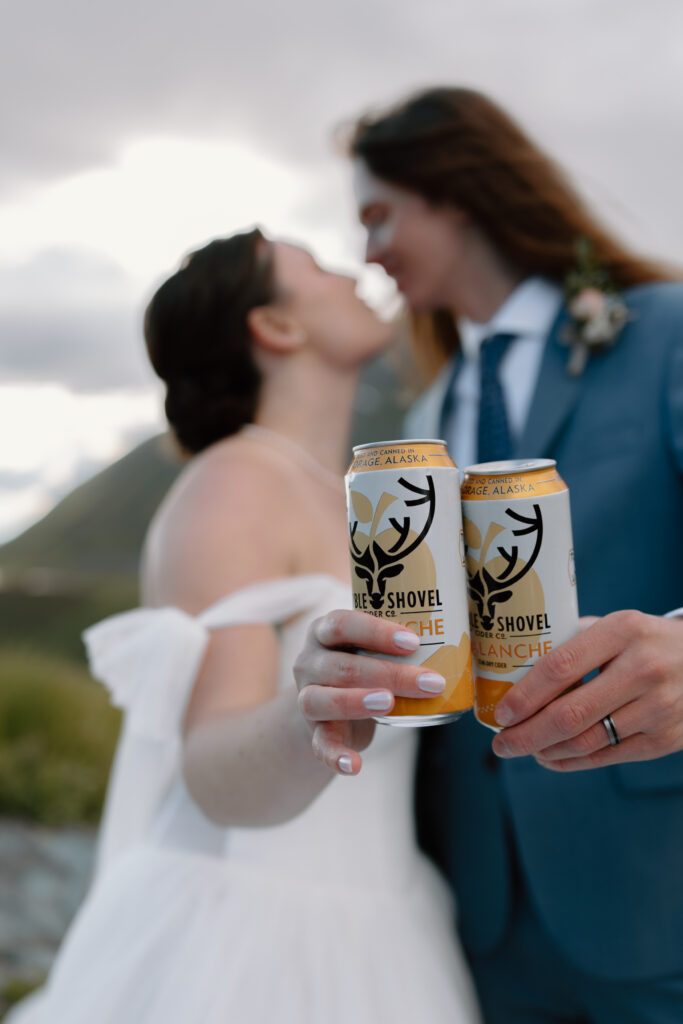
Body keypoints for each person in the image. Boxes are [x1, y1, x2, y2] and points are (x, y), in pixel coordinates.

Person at [8, 229, 482, 1023]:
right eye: (319, 267)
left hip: (388, 913)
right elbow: (211, 767)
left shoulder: (343, 489)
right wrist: (314, 711)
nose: (353, 272)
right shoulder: (233, 486)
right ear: (278, 327)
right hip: (251, 943)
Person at [294, 88, 683, 1023]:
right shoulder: (428, 415)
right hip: (474, 906)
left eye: (379, 214)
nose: (367, 250)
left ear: (453, 192)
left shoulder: (663, 331)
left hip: (653, 887)